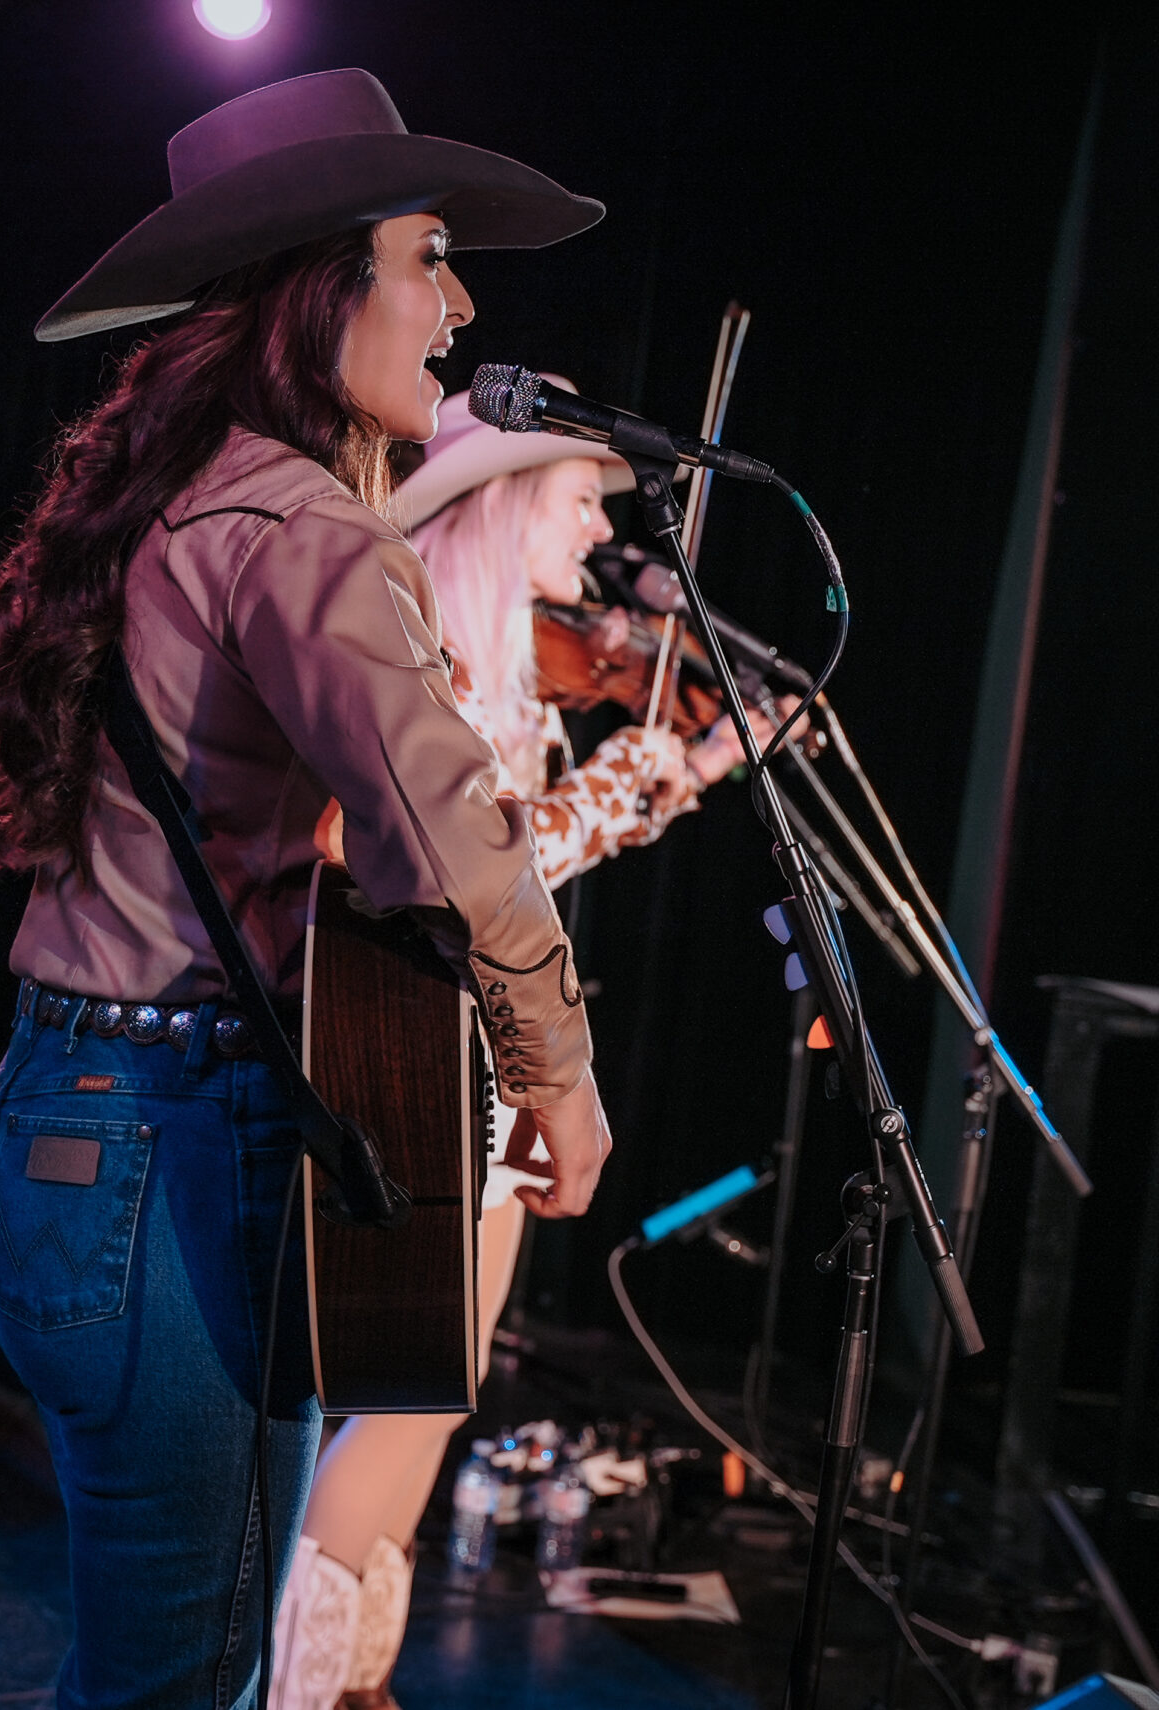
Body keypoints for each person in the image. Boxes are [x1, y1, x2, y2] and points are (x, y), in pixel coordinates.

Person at [0, 70, 609, 1710]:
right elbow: (452, 844)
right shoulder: (304, 530)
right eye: (429, 258)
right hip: (170, 1162)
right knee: (183, 1684)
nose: (460, 306)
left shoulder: (170, 499)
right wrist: (557, 1072)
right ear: (325, 287)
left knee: (146, 1668)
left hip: (55, 1126)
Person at [268, 384, 767, 1710]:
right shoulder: (420, 665)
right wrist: (660, 770)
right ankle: (296, 1685)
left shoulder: (505, 674)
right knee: (408, 1395)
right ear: (500, 508)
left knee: (443, 1388)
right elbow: (480, 859)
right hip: (410, 1047)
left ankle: (353, 1678)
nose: (602, 530)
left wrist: (678, 767)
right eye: (577, 499)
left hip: (471, 1053)